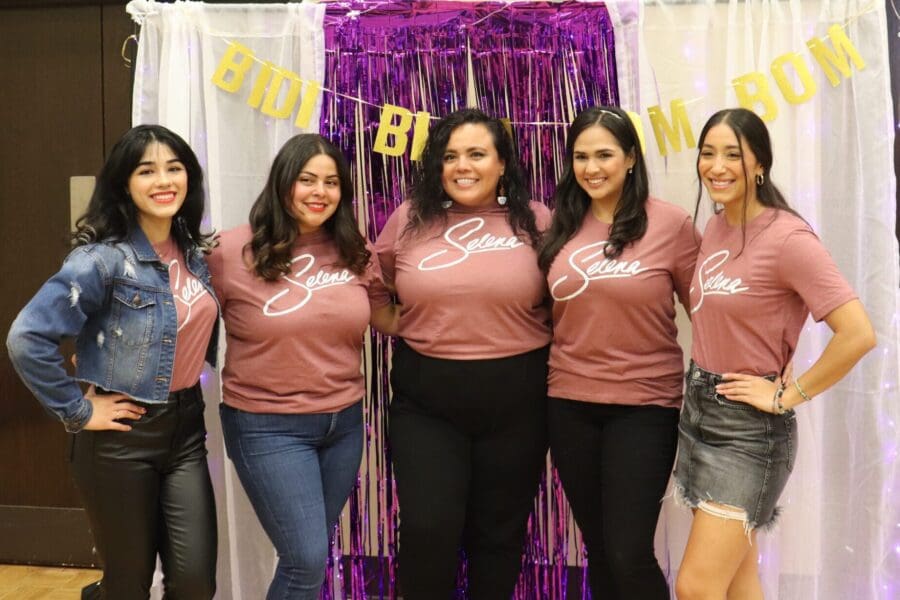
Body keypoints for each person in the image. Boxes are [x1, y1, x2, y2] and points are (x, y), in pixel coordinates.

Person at [6, 125, 219, 599]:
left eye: (174, 168)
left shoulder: (194, 252)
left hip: (186, 429)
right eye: (147, 171)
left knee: (195, 583)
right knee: (127, 587)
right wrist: (79, 412)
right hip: (121, 439)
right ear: (125, 183)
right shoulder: (101, 261)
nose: (164, 180)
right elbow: (27, 338)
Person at [673, 108, 876, 599]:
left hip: (749, 433)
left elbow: (858, 333)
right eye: (707, 153)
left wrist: (787, 395)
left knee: (696, 586)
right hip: (699, 410)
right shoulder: (718, 226)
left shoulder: (789, 238)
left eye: (732, 155)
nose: (717, 166)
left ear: (759, 164)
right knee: (739, 581)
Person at [208, 133, 397, 600]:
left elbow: (386, 317)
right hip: (267, 427)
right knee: (306, 559)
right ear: (282, 183)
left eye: (331, 182)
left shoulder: (356, 251)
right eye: (307, 179)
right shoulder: (229, 252)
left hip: (344, 425)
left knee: (306, 559)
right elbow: (180, 314)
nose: (320, 191)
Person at [374, 108, 551, 599]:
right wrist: (396, 321)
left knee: (499, 536)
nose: (462, 166)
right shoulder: (409, 219)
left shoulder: (537, 220)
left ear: (502, 164)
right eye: (450, 156)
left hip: (519, 404)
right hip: (428, 406)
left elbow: (567, 293)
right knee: (430, 531)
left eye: (476, 154)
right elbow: (370, 284)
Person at [537, 105, 699, 599]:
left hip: (645, 407)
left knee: (630, 551)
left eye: (605, 154)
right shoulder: (559, 227)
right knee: (602, 550)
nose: (592, 167)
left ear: (630, 157)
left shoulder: (671, 225)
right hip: (569, 403)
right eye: (581, 156)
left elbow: (711, 314)